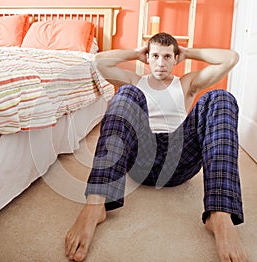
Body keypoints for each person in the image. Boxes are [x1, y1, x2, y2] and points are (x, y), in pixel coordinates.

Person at [65, 32, 248, 261]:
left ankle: (220, 214)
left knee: (221, 98)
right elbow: (98, 61)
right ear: (148, 58)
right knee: (125, 93)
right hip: (142, 158)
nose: (161, 63)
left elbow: (231, 58)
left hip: (179, 158)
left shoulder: (186, 84)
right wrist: (134, 53)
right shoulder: (135, 81)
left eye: (167, 56)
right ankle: (96, 204)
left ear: (175, 58)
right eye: (155, 56)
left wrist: (189, 52)